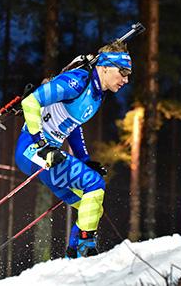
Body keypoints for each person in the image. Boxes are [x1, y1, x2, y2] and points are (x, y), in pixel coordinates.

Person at [14, 40, 132, 258]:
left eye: (128, 75)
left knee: (92, 204)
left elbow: (72, 125)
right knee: (94, 184)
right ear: (105, 67)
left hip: (51, 155)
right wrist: (42, 145)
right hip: (31, 151)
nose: (125, 80)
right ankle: (85, 249)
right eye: (122, 72)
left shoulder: (97, 94)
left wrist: (85, 160)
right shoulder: (76, 82)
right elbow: (30, 102)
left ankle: (73, 259)